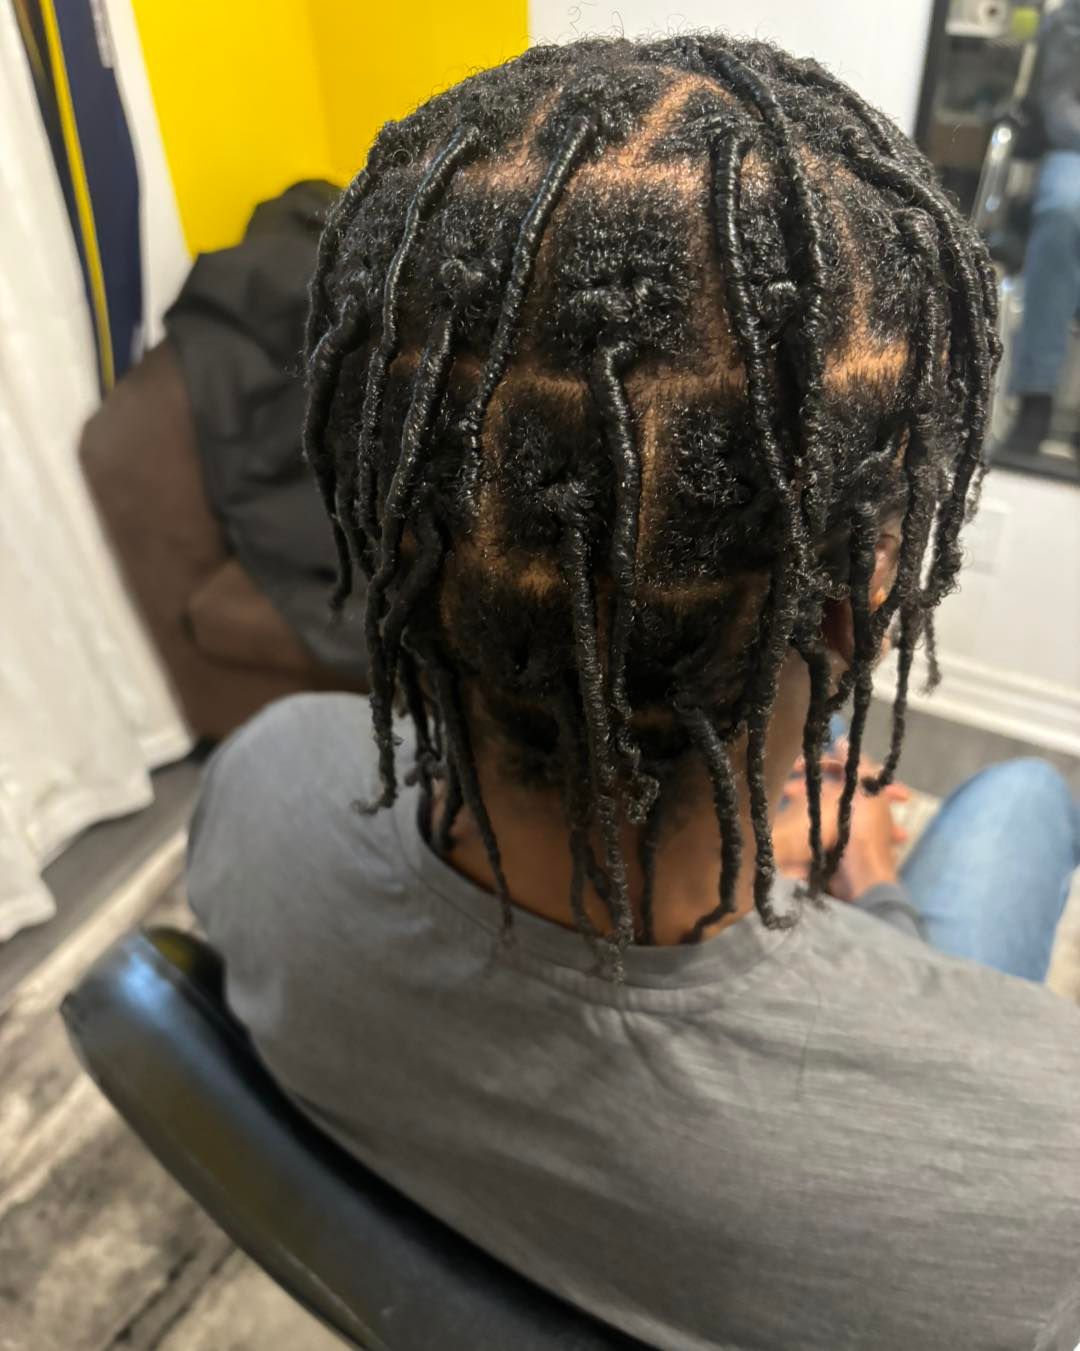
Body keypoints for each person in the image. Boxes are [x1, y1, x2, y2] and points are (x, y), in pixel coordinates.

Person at [186, 35, 1080, 1351]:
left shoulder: (262, 780)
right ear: (862, 603)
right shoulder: (1043, 1154)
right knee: (1023, 802)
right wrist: (868, 896)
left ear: (394, 511)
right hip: (840, 1107)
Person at [1001, 0, 1080, 459]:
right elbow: (1061, 109)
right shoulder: (1069, 21)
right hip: (1075, 150)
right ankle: (1036, 394)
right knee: (1064, 211)